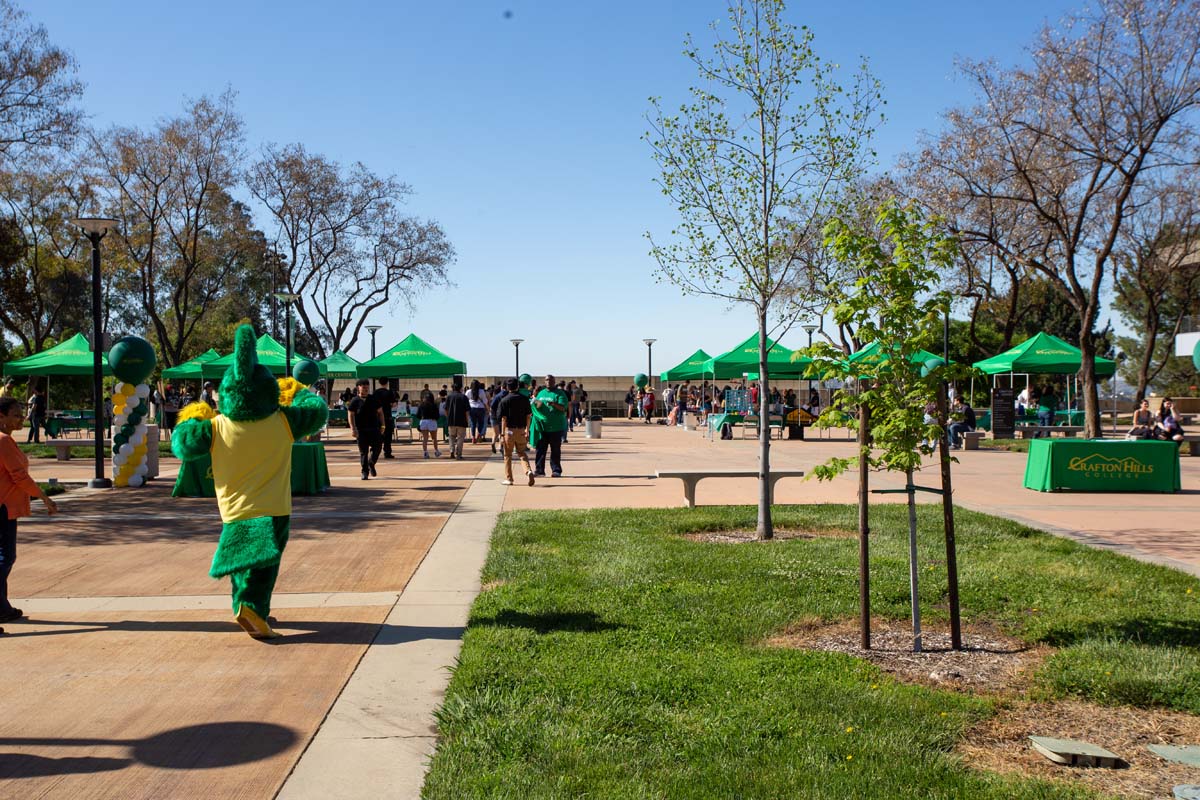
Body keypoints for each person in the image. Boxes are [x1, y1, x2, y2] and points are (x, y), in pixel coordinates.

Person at [170, 324, 327, 639]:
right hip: (273, 506)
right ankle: (253, 607)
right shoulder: (284, 421)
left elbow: (182, 444)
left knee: (242, 559)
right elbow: (317, 411)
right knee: (264, 564)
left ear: (226, 393)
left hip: (234, 509)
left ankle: (244, 607)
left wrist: (192, 416)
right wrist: (297, 391)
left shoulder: (216, 426)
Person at [0, 396, 59, 626]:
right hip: (4, 506)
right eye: (15, 414)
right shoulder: (4, 441)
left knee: (3, 557)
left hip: (5, 505)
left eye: (21, 413)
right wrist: (43, 497)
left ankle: (3, 608)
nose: (21, 418)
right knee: (6, 557)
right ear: (1, 417)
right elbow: (19, 476)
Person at [497, 377, 534, 486]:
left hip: (509, 430)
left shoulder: (504, 400)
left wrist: (502, 434)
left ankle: (509, 478)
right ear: (518, 386)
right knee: (522, 453)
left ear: (507, 387)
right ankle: (528, 471)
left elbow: (503, 418)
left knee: (507, 455)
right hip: (521, 430)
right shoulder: (524, 399)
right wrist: (527, 430)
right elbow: (528, 416)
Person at [530, 373, 568, 478]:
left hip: (556, 427)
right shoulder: (541, 393)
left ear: (554, 382)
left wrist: (554, 404)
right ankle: (539, 470)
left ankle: (556, 470)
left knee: (555, 450)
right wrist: (535, 402)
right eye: (546, 380)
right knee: (540, 450)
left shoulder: (560, 394)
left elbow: (563, 408)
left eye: (551, 380)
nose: (548, 382)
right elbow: (537, 405)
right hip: (542, 427)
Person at [348, 379, 384, 479]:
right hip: (361, 430)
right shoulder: (355, 401)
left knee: (378, 448)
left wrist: (383, 425)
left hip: (374, 429)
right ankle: (365, 472)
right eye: (364, 387)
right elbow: (350, 415)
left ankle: (371, 463)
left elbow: (380, 413)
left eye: (367, 387)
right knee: (363, 452)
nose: (366, 389)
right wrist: (353, 429)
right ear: (358, 388)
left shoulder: (374, 399)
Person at [445, 380, 470, 459]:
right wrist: (467, 420)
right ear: (461, 388)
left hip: (451, 420)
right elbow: (467, 411)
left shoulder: (449, 397)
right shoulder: (464, 397)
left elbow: (445, 409)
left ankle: (452, 451)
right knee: (460, 438)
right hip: (461, 421)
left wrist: (448, 417)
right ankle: (459, 453)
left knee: (451, 437)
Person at [374, 386, 397, 459]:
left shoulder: (376, 392)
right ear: (387, 383)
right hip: (387, 416)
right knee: (388, 436)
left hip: (377, 417)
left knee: (378, 435)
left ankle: (375, 452)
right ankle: (387, 452)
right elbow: (394, 404)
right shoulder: (389, 392)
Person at [417, 391, 441, 458]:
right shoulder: (434, 405)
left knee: (425, 438)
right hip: (432, 421)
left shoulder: (421, 405)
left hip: (423, 421)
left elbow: (417, 415)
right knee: (434, 438)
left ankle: (425, 453)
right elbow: (437, 415)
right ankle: (436, 451)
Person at [467, 380, 489, 444]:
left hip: (472, 408)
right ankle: (479, 434)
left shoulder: (468, 391)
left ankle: (473, 437)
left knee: (473, 423)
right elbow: (485, 401)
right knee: (481, 423)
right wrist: (488, 409)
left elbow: (465, 400)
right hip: (480, 408)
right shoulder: (481, 391)